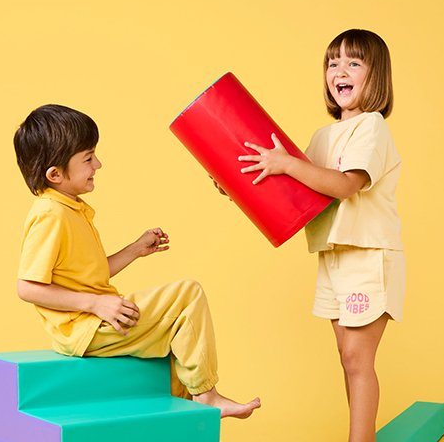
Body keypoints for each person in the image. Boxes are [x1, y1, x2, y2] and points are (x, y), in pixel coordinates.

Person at [13, 104, 261, 419]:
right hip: (86, 329)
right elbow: (27, 288)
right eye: (88, 158)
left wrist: (135, 249)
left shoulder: (70, 209)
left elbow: (92, 273)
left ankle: (187, 429)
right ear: (56, 174)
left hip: (93, 321)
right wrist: (95, 305)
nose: (98, 164)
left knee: (179, 342)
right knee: (188, 295)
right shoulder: (51, 214)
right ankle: (207, 397)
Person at [237, 29, 404, 442]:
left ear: (376, 76)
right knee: (346, 356)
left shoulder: (371, 127)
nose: (340, 72)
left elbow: (346, 185)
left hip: (368, 255)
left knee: (357, 358)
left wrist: (288, 164)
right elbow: (299, 190)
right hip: (335, 256)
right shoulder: (324, 135)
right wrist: (242, 186)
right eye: (333, 63)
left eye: (353, 63)